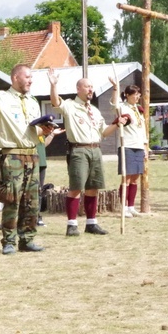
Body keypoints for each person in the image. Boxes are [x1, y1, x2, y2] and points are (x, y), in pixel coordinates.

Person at [0, 61, 52, 254]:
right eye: (27, 77)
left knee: (32, 201)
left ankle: (27, 239)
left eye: (31, 78)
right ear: (15, 78)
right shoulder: (2, 97)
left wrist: (44, 130)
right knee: (12, 199)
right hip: (13, 156)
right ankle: (9, 241)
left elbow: (35, 131)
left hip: (32, 156)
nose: (30, 81)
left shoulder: (33, 101)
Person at [50, 74, 127, 236]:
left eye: (91, 87)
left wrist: (116, 124)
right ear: (78, 89)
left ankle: (91, 223)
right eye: (87, 87)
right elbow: (56, 103)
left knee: (93, 188)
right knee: (76, 187)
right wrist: (53, 85)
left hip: (95, 150)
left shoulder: (95, 111)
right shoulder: (70, 106)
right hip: (78, 150)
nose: (90, 89)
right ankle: (72, 225)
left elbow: (104, 132)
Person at [110, 83, 148, 217]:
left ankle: (131, 206)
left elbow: (142, 129)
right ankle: (124, 207)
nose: (138, 96)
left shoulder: (138, 109)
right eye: (135, 94)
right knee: (126, 178)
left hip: (138, 146)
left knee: (135, 178)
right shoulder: (123, 107)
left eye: (138, 94)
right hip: (127, 145)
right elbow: (114, 103)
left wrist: (145, 146)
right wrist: (115, 88)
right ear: (127, 95)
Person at [36, 123, 64, 227]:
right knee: (30, 191)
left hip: (41, 163)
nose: (51, 128)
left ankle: (37, 216)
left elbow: (43, 145)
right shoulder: (32, 132)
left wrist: (52, 135)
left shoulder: (41, 135)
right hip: (32, 163)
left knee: (38, 191)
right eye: (48, 126)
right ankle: (29, 217)